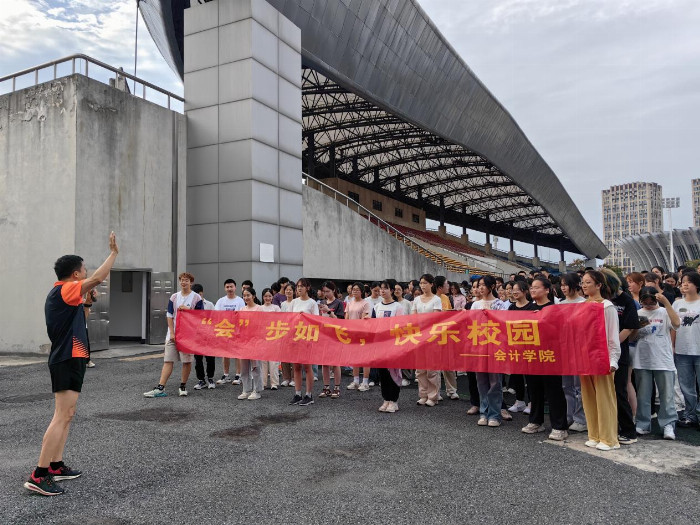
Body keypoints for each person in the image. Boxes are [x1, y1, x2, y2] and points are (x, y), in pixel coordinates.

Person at [24, 232, 118, 496]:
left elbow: (82, 315)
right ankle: (39, 475)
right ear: (76, 274)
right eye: (84, 269)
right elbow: (99, 277)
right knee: (61, 415)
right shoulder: (63, 289)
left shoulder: (68, 296)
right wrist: (113, 254)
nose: (86, 272)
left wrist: (88, 300)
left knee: (68, 414)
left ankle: (55, 466)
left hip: (73, 357)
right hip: (66, 358)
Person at [521, 276, 569, 441]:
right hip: (531, 355)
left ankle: (559, 426)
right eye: (531, 288)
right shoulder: (528, 308)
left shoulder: (555, 308)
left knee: (554, 391)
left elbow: (560, 331)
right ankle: (536, 421)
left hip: (550, 355)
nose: (533, 290)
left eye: (536, 287)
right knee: (534, 390)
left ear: (547, 290)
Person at [579, 271, 622, 450]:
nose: (584, 285)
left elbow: (613, 336)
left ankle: (609, 439)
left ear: (599, 285)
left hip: (602, 357)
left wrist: (613, 360)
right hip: (584, 357)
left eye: (589, 282)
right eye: (583, 282)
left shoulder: (607, 306)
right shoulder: (581, 306)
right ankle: (594, 434)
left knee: (605, 398)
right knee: (588, 397)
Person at [144, 272, 203, 398]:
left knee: (186, 361)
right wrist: (171, 332)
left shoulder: (196, 298)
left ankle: (182, 386)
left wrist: (189, 310)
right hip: (173, 333)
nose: (183, 282)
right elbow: (169, 315)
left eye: (186, 280)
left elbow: (201, 316)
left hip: (188, 335)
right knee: (168, 360)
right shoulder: (174, 297)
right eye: (181, 280)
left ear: (191, 282)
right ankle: (160, 387)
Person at [633, 286, 680, 440]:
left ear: (656, 298)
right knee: (643, 394)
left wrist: (666, 302)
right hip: (642, 359)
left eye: (650, 299)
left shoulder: (664, 312)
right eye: (644, 300)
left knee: (667, 395)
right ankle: (643, 423)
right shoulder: (638, 313)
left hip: (663, 359)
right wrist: (638, 330)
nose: (647, 303)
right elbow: (632, 338)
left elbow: (677, 323)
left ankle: (668, 424)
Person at [601, 269, 640, 445]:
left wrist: (613, 343)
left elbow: (630, 327)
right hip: (600, 352)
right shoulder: (601, 300)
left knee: (619, 391)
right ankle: (608, 427)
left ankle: (629, 430)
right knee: (604, 392)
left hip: (619, 352)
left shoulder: (626, 300)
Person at [470, 276, 509, 427]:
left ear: (491, 286)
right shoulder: (475, 304)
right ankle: (483, 412)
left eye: (482, 285)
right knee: (481, 382)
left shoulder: (500, 304)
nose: (480, 288)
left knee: (495, 382)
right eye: (478, 285)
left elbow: (503, 325)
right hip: (479, 346)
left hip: (494, 346)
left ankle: (495, 414)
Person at [559, 273, 588, 432]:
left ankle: (581, 418)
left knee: (579, 386)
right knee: (566, 385)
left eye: (566, 284)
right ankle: (569, 415)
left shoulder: (584, 303)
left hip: (579, 349)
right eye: (561, 284)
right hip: (564, 349)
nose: (563, 287)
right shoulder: (560, 304)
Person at [672, 271, 700, 428]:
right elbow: (674, 327)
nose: (685, 284)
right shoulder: (677, 304)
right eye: (683, 281)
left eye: (689, 281)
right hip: (682, 350)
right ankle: (690, 415)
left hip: (699, 349)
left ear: (697, 285)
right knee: (686, 386)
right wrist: (673, 346)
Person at [373, 280, 406, 413]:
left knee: (393, 373)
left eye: (385, 288)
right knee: (383, 373)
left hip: (393, 345)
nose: (382, 291)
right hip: (380, 345)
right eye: (381, 288)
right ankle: (386, 398)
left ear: (392, 290)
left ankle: (394, 400)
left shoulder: (397, 307)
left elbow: (401, 326)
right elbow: (373, 325)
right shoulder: (376, 307)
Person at [412, 274, 442, 406]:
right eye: (421, 283)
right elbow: (413, 318)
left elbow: (435, 318)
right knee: (420, 369)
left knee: (432, 368)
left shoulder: (436, 299)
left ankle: (433, 396)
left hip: (432, 337)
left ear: (431, 284)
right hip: (419, 337)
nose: (423, 285)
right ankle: (423, 394)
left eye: (425, 283)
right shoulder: (417, 299)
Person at [289, 278, 320, 406]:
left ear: (307, 288)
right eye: (297, 286)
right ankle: (297, 393)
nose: (299, 288)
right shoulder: (294, 302)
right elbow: (288, 319)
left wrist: (305, 317)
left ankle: (309, 394)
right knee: (296, 367)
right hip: (295, 337)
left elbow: (316, 320)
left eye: (302, 286)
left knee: (307, 367)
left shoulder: (312, 303)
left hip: (307, 337)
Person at [506, 280, 532, 414]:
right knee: (516, 374)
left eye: (518, 290)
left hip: (529, 346)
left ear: (525, 291)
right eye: (513, 290)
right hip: (515, 345)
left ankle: (531, 402)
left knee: (530, 376)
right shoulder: (511, 307)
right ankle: (519, 400)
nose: (514, 292)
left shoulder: (532, 307)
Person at [214, 279, 245, 385]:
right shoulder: (220, 301)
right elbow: (217, 316)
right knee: (225, 354)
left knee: (237, 354)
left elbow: (242, 315)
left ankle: (238, 375)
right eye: (227, 287)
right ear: (224, 288)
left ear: (235, 287)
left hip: (237, 332)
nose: (229, 289)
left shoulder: (240, 301)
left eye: (231, 286)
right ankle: (226, 375)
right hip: (225, 331)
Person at [318, 281, 345, 399]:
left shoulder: (339, 303)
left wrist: (328, 311)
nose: (326, 293)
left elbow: (340, 320)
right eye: (324, 291)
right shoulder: (322, 303)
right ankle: (326, 387)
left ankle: (337, 387)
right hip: (324, 335)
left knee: (335, 363)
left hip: (335, 335)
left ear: (333, 290)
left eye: (328, 291)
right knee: (324, 363)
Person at [345, 282, 372, 391]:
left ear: (362, 291)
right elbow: (346, 317)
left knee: (365, 358)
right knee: (355, 358)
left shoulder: (365, 303)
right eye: (353, 289)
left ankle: (365, 382)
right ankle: (356, 381)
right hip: (352, 333)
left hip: (362, 334)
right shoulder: (349, 303)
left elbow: (365, 318)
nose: (355, 291)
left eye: (357, 289)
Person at [238, 288, 263, 400]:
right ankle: (245, 389)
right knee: (244, 368)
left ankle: (256, 390)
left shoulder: (259, 308)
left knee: (255, 367)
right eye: (244, 295)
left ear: (253, 296)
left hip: (255, 341)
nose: (246, 297)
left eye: (248, 295)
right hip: (244, 341)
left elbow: (263, 325)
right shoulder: (242, 309)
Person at [191, 283, 216, 391]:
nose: (197, 298)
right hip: (197, 337)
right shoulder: (191, 306)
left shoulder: (209, 304)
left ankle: (210, 378)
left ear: (202, 293)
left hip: (209, 335)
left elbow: (215, 319)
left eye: (199, 295)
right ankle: (201, 380)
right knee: (198, 359)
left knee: (210, 358)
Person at [259, 288, 282, 390]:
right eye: (265, 296)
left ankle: (274, 383)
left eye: (269, 296)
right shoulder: (259, 308)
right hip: (263, 337)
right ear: (263, 297)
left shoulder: (276, 308)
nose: (268, 298)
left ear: (272, 297)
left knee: (274, 362)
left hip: (274, 337)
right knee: (263, 362)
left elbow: (280, 321)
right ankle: (263, 383)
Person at [279, 282, 295, 387]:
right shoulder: (283, 304)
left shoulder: (296, 302)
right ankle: (286, 378)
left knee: (293, 356)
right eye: (286, 290)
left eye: (290, 290)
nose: (288, 291)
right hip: (284, 331)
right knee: (284, 355)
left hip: (294, 331)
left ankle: (294, 378)